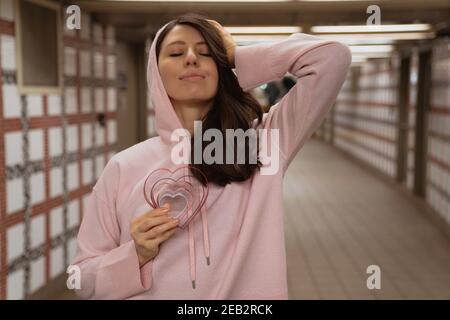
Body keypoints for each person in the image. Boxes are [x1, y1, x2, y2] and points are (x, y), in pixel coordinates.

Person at [70, 13, 351, 299]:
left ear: (222, 68)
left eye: (206, 53)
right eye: (177, 52)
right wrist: (136, 254)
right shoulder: (123, 166)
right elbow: (81, 279)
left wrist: (235, 54)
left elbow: (332, 58)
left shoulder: (262, 143)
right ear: (156, 72)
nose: (191, 58)